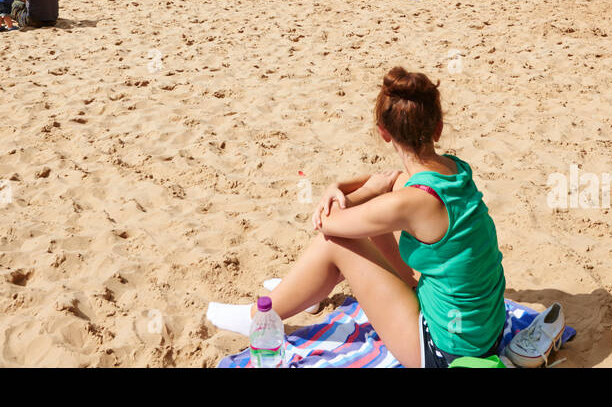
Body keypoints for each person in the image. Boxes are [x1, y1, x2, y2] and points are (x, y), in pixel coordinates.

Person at [205, 68, 506, 367]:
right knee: (369, 217)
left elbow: (329, 224)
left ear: (383, 132)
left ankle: (258, 318)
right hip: (484, 333)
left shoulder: (413, 202)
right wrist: (340, 189)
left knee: (334, 243)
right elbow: (386, 182)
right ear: (438, 128)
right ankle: (307, 294)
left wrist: (340, 197)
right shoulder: (453, 170)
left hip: (446, 352)